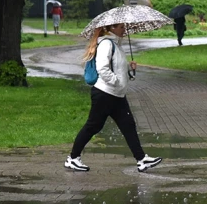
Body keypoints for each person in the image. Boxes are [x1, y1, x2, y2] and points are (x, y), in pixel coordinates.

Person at [65, 23, 163, 173]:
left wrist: (130, 69)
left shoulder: (117, 45)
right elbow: (102, 68)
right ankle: (73, 158)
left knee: (128, 126)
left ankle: (141, 159)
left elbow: (117, 69)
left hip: (116, 95)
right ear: (112, 29)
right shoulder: (106, 44)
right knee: (93, 126)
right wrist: (115, 81)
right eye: (121, 27)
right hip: (104, 94)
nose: (125, 30)